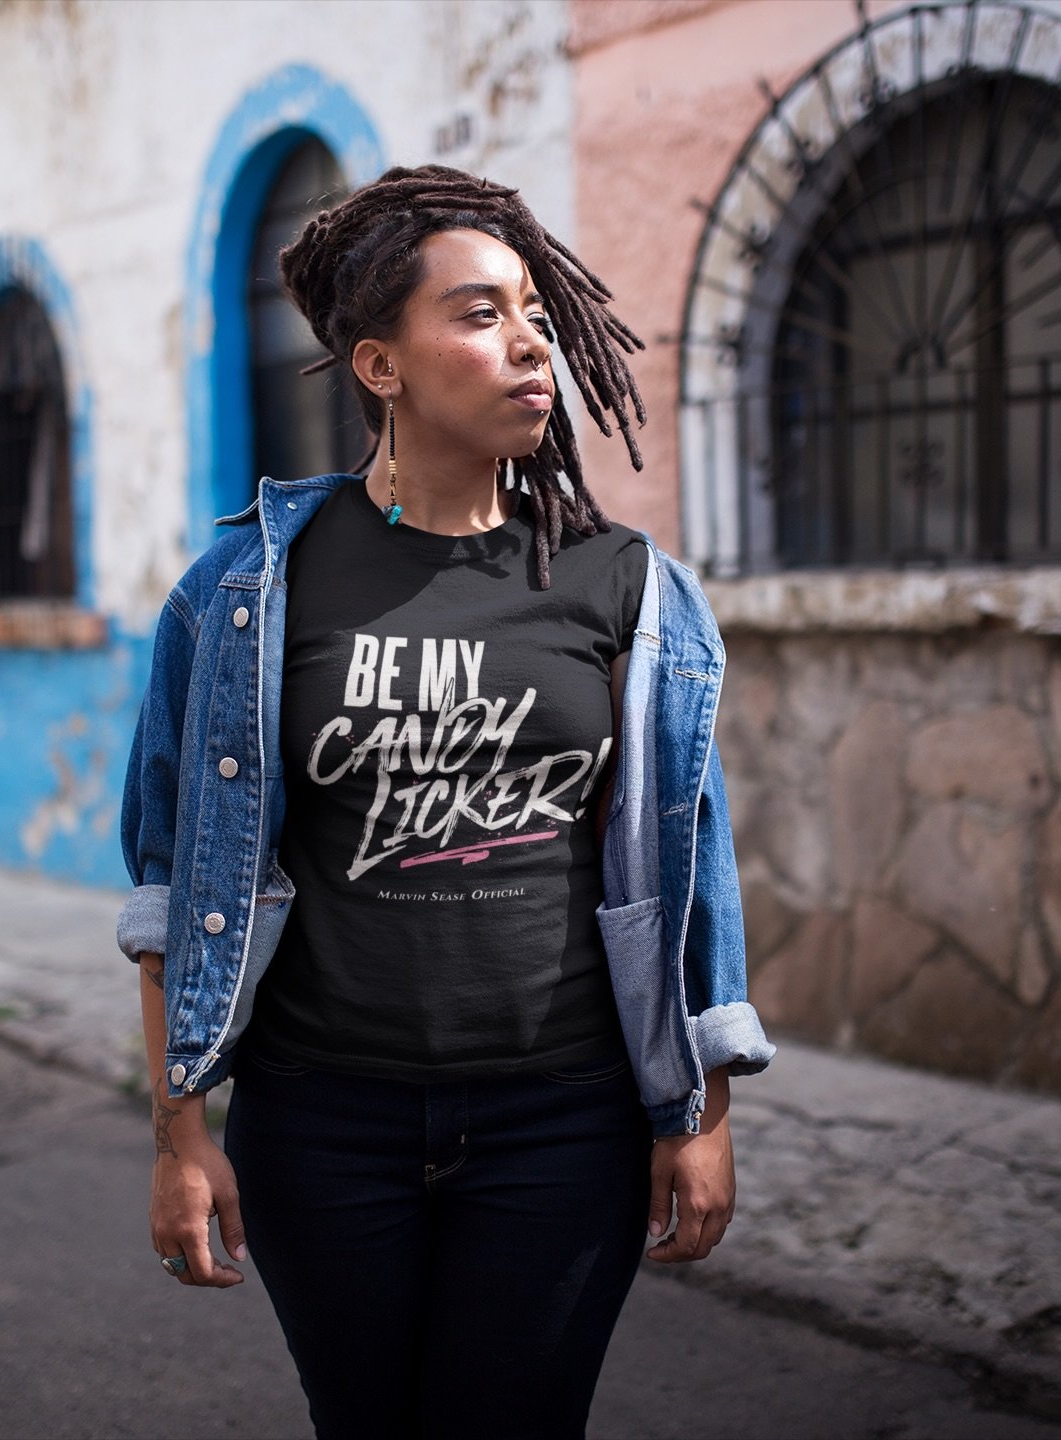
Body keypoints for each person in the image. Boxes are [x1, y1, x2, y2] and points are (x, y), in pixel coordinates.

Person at [117, 164, 775, 1439]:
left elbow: (690, 863)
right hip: (324, 1122)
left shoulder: (623, 585)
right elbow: (171, 883)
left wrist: (702, 1109)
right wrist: (178, 1135)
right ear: (380, 367)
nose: (530, 341)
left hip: (562, 1120)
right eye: (479, 314)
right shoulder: (247, 590)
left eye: (535, 310)